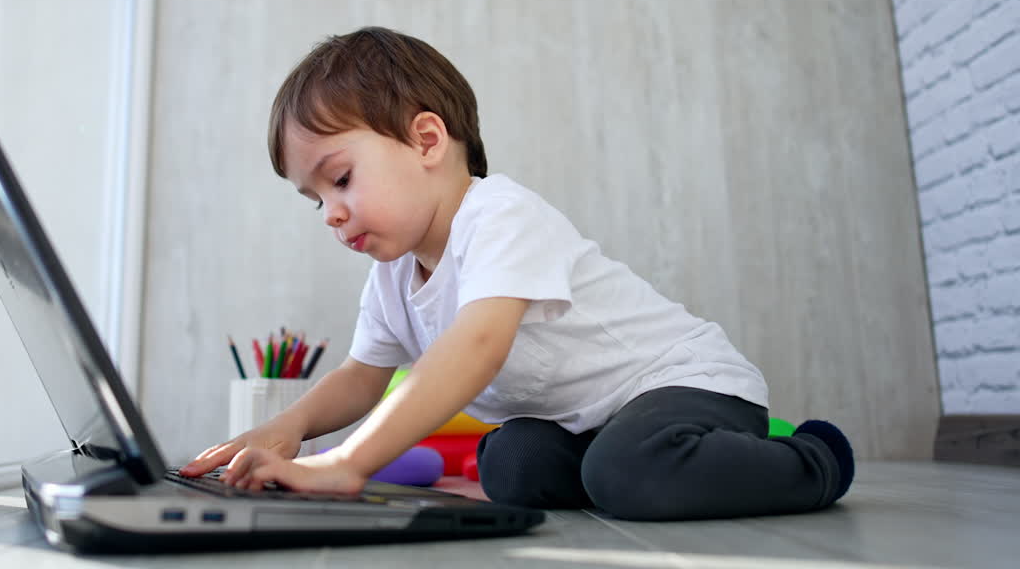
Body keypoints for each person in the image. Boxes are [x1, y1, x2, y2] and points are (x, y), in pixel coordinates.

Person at [180, 27, 853, 519]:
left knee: (628, 469)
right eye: (316, 200)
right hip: (586, 422)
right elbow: (361, 376)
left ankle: (816, 459)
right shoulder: (392, 277)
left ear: (426, 140)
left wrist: (346, 463)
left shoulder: (498, 214)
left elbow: (476, 345)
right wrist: (290, 428)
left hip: (681, 382)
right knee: (513, 464)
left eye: (342, 179)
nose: (330, 213)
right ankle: (621, 475)